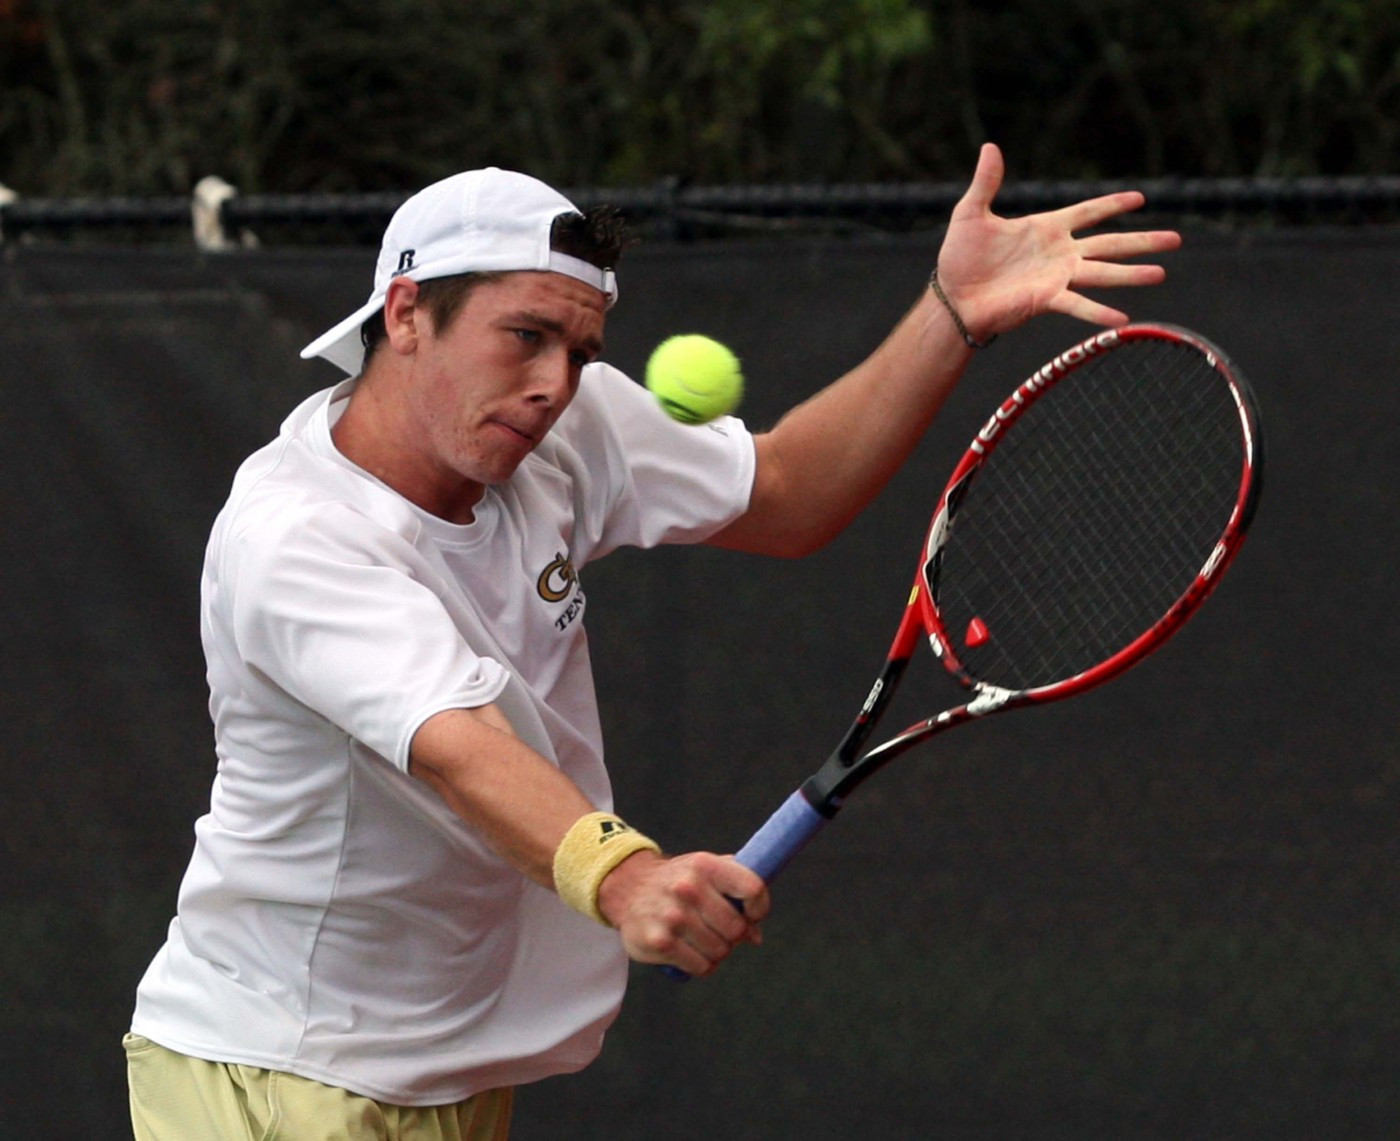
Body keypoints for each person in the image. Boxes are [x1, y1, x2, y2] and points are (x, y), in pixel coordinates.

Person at [124, 144, 1179, 1140]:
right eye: (523, 335)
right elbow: (460, 747)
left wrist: (951, 315)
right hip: (271, 1067)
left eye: (579, 351)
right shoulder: (295, 538)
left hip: (445, 1070)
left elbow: (785, 494)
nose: (554, 382)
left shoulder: (558, 431)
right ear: (405, 313)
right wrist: (626, 878)